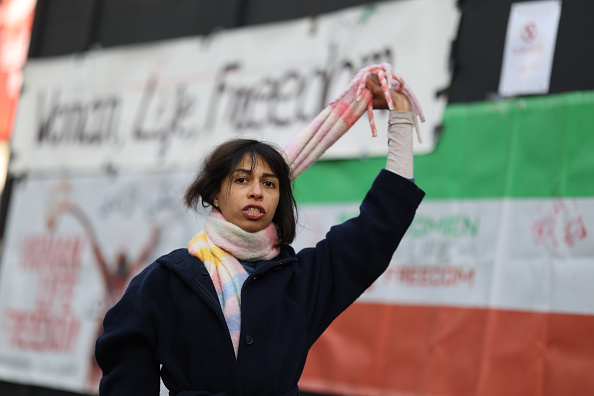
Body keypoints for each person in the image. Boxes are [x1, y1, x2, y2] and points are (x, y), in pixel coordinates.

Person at [95, 75, 425, 396]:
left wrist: (401, 121)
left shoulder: (301, 280)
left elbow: (377, 230)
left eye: (269, 183)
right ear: (214, 194)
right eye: (241, 180)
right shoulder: (169, 279)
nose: (257, 192)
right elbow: (124, 359)